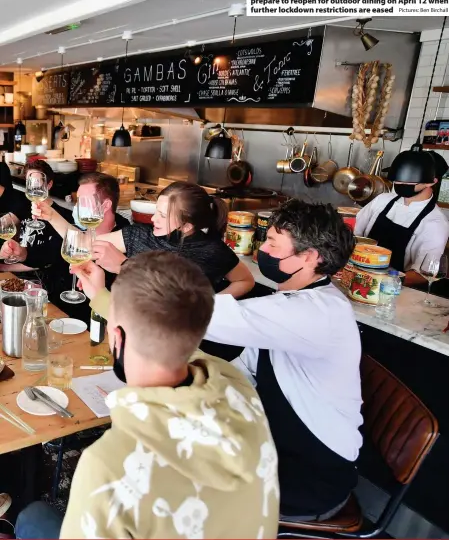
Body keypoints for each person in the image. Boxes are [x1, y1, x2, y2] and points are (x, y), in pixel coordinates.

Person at [71, 199, 363, 522]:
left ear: (309, 257)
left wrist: (120, 277)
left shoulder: (318, 313)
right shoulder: (292, 303)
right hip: (275, 448)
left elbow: (193, 314)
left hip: (310, 476)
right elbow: (243, 371)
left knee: (164, 484)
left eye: (271, 243)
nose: (261, 250)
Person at [16, 251, 279, 539]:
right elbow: (180, 338)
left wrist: (107, 299)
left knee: (34, 517)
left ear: (116, 338)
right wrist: (101, 295)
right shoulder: (236, 384)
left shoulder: (109, 464)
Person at [35, 180, 255, 298]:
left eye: (162, 215)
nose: (152, 218)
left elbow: (245, 281)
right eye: (155, 210)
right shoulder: (138, 234)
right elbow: (82, 244)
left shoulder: (213, 252)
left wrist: (215, 305)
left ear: (188, 225)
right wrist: (51, 216)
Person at [0, 170, 129, 321]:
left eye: (83, 201)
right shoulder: (74, 228)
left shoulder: (127, 242)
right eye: (78, 200)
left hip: (90, 319)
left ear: (106, 205)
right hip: (53, 305)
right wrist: (23, 253)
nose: (77, 206)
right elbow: (47, 254)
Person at [355, 146, 449, 286]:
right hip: (355, 272)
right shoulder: (382, 200)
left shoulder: (434, 223)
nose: (400, 184)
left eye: (408, 180)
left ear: (432, 182)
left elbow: (423, 274)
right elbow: (354, 234)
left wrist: (383, 281)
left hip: (391, 289)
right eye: (397, 179)